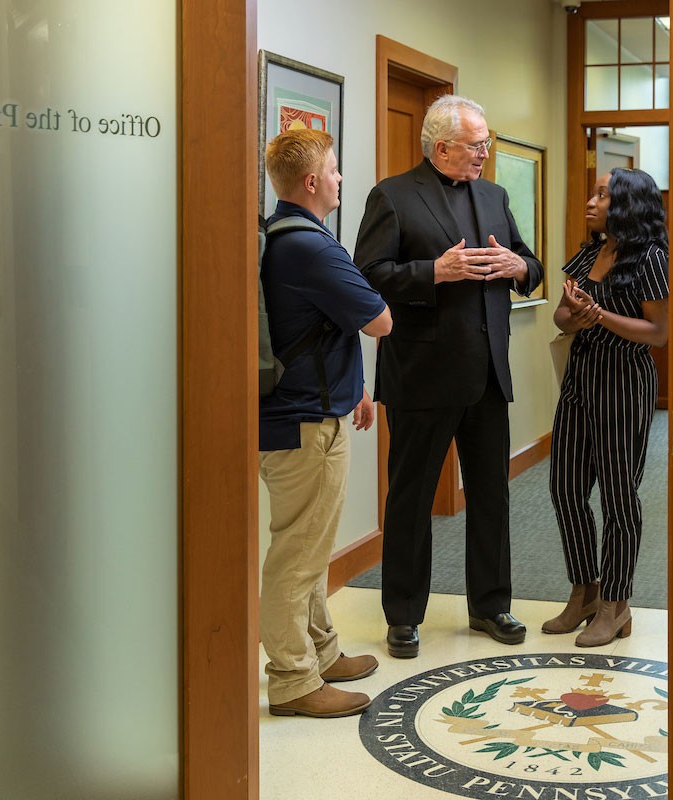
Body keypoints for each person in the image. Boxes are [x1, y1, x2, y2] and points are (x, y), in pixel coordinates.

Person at [354, 95, 543, 659]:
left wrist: (518, 268)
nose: (485, 153)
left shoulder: (494, 195)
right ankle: (404, 614)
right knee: (411, 498)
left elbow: (530, 263)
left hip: (488, 373)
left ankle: (491, 604)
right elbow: (368, 276)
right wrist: (432, 272)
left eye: (486, 142)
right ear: (441, 147)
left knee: (491, 495)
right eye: (475, 144)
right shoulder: (392, 195)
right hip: (423, 372)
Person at [258, 128, 392, 717]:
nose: (341, 179)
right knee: (297, 557)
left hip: (309, 413)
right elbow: (378, 320)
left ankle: (321, 651)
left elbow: (323, 327)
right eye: (334, 171)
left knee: (308, 549)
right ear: (311, 181)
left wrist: (356, 385)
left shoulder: (283, 236)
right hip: (306, 425)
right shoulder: (310, 247)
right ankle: (293, 681)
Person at [544, 167, 669, 647]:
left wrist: (601, 316)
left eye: (602, 194)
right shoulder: (589, 252)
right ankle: (586, 591)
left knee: (619, 496)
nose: (591, 202)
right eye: (593, 192)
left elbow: (659, 334)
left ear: (628, 203)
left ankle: (617, 606)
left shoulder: (651, 259)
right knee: (566, 488)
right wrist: (575, 317)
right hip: (579, 377)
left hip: (623, 381)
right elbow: (560, 314)